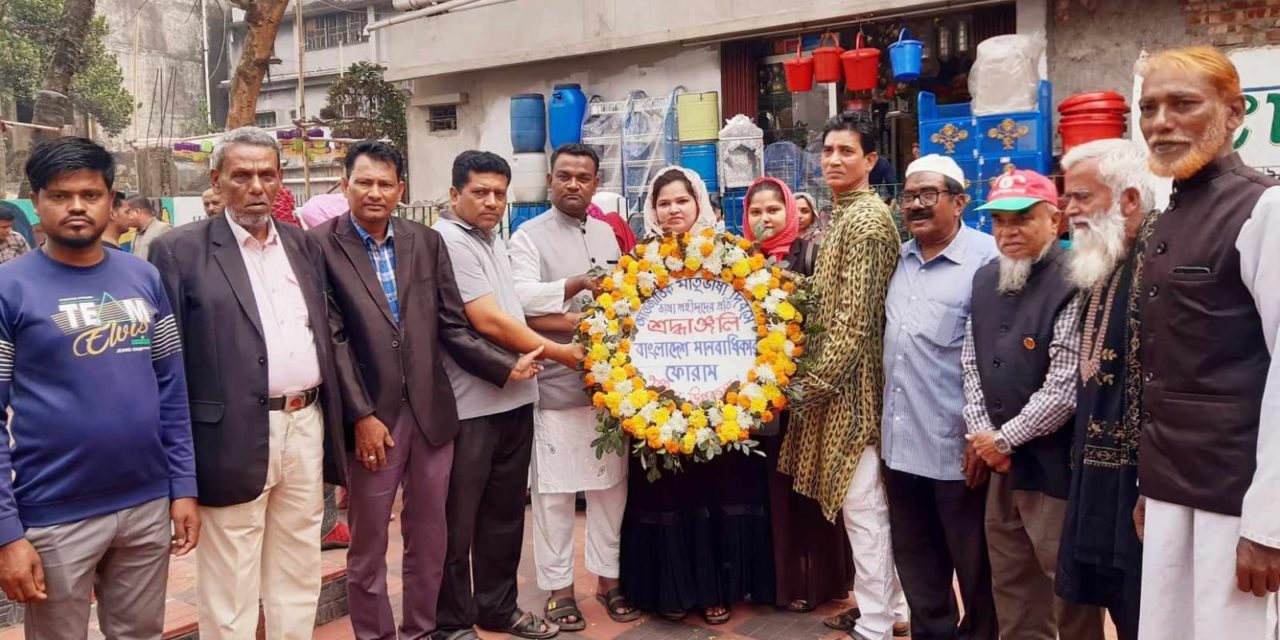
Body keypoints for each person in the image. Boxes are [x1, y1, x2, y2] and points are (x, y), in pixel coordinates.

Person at [313, 140, 541, 640]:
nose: (375, 192)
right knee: (370, 545)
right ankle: (376, 635)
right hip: (373, 421)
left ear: (402, 189)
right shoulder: (321, 245)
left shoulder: (424, 241)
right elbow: (334, 341)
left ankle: (422, 630)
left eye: (384, 183)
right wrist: (361, 416)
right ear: (345, 183)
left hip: (433, 415)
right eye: (364, 181)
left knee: (431, 536)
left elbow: (451, 326)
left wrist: (505, 367)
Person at [148, 126, 356, 640]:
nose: (256, 187)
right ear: (216, 181)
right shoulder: (179, 251)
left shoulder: (304, 246)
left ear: (281, 179)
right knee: (231, 579)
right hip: (228, 435)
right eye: (242, 176)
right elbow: (166, 365)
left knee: (297, 566)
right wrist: (178, 471)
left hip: (305, 424)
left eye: (267, 174)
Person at [0, 137, 199, 637]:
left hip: (147, 504)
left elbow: (172, 390)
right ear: (37, 202)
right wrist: (7, 533)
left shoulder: (143, 278)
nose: (75, 207)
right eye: (59, 196)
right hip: (53, 512)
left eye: (90, 195)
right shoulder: (10, 289)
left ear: (112, 200)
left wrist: (183, 488)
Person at [1133, 46, 1280, 640]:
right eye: (1149, 108)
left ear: (1233, 112)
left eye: (1182, 104)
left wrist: (1269, 525)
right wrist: (1150, 488)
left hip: (1236, 499)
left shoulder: (1264, 207)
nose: (1161, 122)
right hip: (1172, 490)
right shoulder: (1170, 214)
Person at [432, 150, 581, 640]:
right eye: (480, 192)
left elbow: (515, 313)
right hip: (471, 405)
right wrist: (562, 353)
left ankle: (497, 608)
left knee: (502, 516)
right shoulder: (451, 240)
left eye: (499, 192)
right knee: (460, 519)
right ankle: (452, 622)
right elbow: (487, 320)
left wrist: (572, 330)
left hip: (517, 398)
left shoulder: (493, 239)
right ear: (455, 195)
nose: (491, 201)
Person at [619, 166, 775, 626]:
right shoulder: (638, 263)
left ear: (699, 203)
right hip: (660, 404)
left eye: (681, 201)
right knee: (666, 492)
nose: (673, 210)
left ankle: (716, 589)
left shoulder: (728, 256)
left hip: (718, 401)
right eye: (664, 202)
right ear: (653, 208)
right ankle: (668, 589)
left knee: (717, 488)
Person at [961, 168, 1105, 640]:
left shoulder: (1074, 279)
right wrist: (986, 439)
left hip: (1054, 466)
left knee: (1067, 589)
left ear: (1055, 221)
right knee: (1013, 587)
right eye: (999, 221)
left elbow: (1065, 386)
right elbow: (970, 364)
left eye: (1022, 219)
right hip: (1001, 465)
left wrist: (1002, 440)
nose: (1009, 231)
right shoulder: (985, 280)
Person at [776, 112, 905, 640]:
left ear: (870, 160)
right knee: (865, 506)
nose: (833, 160)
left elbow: (853, 326)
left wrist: (803, 389)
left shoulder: (867, 222)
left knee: (864, 508)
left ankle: (876, 621)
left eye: (846, 151)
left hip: (856, 392)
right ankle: (892, 609)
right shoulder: (841, 216)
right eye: (827, 151)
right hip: (840, 387)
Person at [507, 143, 638, 631]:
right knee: (555, 493)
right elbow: (517, 302)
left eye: (583, 177)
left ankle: (608, 580)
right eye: (564, 176)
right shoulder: (527, 236)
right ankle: (559, 588)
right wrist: (577, 288)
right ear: (549, 181)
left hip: (610, 387)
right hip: (557, 383)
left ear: (596, 183)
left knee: (611, 488)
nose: (573, 185)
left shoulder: (608, 233)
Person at [880, 155, 1000, 640]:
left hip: (958, 450)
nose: (917, 205)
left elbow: (998, 357)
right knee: (918, 567)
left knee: (977, 570)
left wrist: (983, 434)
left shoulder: (988, 260)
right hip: (901, 447)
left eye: (929, 194)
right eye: (909, 196)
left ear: (960, 201)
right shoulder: (901, 258)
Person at [1055, 138, 1162, 640]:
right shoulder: (1100, 262)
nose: (1068, 208)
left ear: (1130, 199)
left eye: (1081, 196)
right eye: (1067, 196)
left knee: (1149, 610)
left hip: (1146, 483)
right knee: (1117, 605)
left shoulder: (1159, 263)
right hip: (1097, 475)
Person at [742, 176, 856, 615]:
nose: (764, 219)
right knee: (767, 490)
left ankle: (815, 582)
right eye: (756, 211)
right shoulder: (739, 262)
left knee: (807, 490)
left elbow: (827, 322)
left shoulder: (811, 255)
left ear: (789, 212)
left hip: (804, 399)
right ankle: (775, 584)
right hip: (756, 402)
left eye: (773, 210)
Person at [127, 195, 172, 260]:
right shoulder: (135, 234)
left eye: (127, 212)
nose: (126, 217)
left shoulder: (163, 229)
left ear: (137, 212)